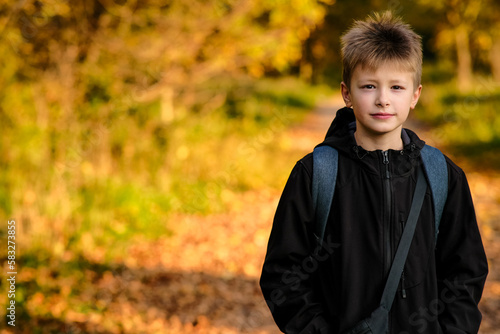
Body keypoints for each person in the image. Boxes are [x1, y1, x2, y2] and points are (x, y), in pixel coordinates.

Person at [259, 11, 488, 334]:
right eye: (369, 86)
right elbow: (283, 274)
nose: (383, 100)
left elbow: (466, 272)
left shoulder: (442, 176)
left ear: (415, 96)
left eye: (396, 87)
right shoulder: (316, 174)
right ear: (346, 94)